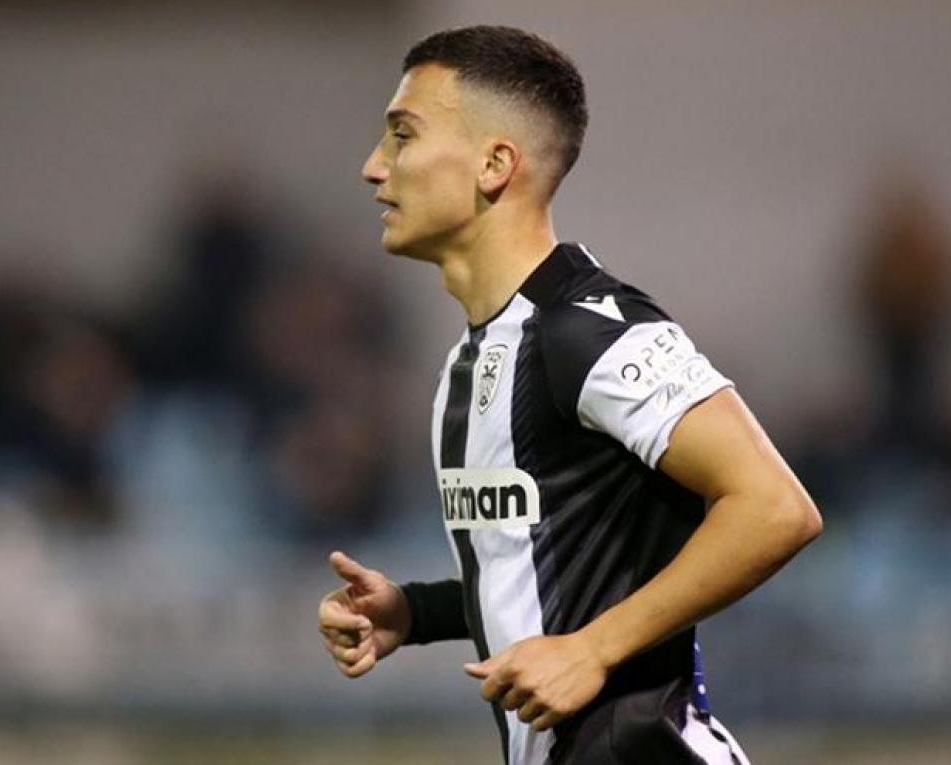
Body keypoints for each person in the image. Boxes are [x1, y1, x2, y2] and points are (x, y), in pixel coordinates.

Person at [317, 25, 821, 765]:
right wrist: (414, 611)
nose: (373, 166)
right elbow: (548, 570)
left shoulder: (586, 331)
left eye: (402, 135)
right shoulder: (471, 361)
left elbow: (776, 508)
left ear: (494, 164)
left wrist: (594, 649)